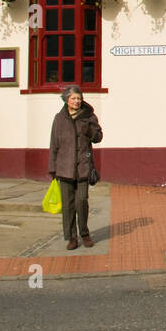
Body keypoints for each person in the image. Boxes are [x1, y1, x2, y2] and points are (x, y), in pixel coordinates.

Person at [48, 84, 103, 250]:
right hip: (64, 167)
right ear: (66, 100)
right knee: (68, 205)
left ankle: (85, 233)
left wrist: (89, 131)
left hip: (83, 166)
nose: (77, 101)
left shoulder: (89, 116)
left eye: (79, 98)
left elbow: (98, 137)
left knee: (81, 201)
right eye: (73, 98)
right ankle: (71, 237)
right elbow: (54, 144)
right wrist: (52, 167)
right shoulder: (59, 118)